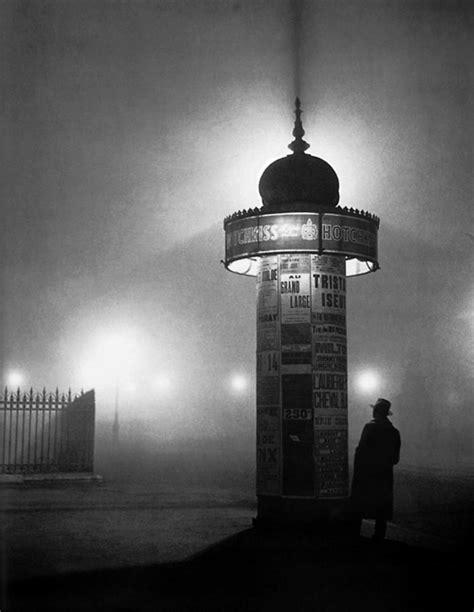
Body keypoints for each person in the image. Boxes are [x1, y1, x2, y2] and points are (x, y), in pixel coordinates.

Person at [351, 398, 401, 542]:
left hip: (367, 474)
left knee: (360, 504)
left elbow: (361, 452)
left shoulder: (369, 427)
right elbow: (395, 459)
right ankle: (379, 537)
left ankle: (355, 534)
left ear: (376, 411)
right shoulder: (394, 432)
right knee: (381, 508)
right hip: (384, 475)